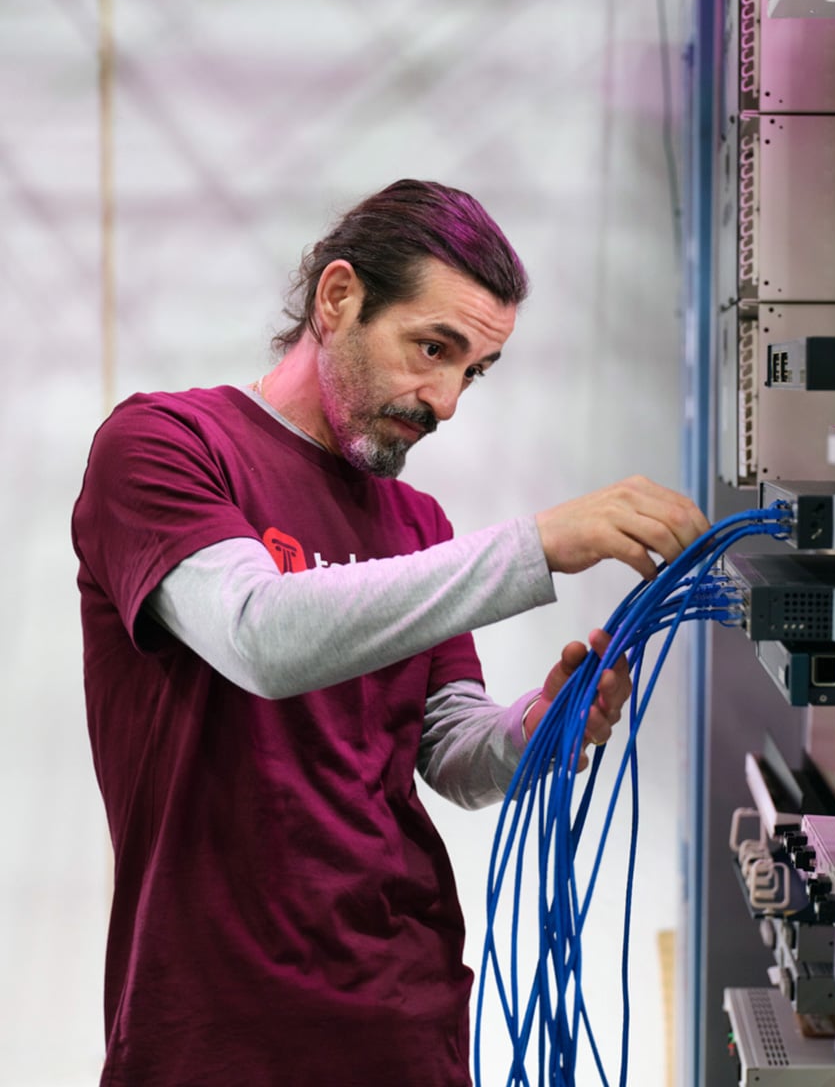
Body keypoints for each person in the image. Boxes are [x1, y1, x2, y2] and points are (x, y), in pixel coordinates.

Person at [72, 178, 707, 1086]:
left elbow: (452, 754)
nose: (445, 400)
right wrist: (538, 546)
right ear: (338, 300)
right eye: (432, 349)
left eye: (471, 371)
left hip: (402, 1019)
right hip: (212, 1026)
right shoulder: (167, 445)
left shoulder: (417, 523)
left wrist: (542, 726)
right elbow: (261, 637)